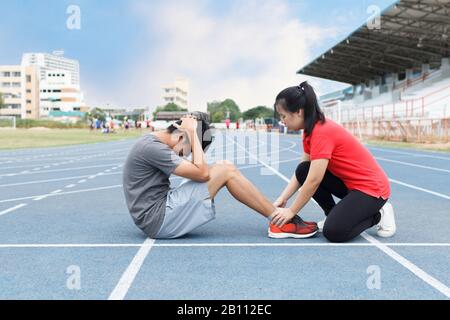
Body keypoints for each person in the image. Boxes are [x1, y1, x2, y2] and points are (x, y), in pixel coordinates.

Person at [122, 112, 318, 239]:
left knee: (222, 168)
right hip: (158, 219)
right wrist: (192, 131)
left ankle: (278, 218)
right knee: (225, 169)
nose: (186, 155)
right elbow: (202, 172)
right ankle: (280, 221)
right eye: (188, 148)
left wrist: (195, 136)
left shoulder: (153, 143)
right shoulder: (152, 148)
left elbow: (200, 171)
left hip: (158, 213)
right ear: (181, 135)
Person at [270, 81, 396, 242]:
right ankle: (333, 214)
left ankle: (378, 214)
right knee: (303, 169)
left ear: (299, 112)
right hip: (350, 185)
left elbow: (314, 180)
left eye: (283, 116)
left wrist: (291, 211)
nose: (282, 121)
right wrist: (283, 198)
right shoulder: (309, 130)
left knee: (335, 233)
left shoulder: (321, 132)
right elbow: (304, 171)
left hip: (371, 190)